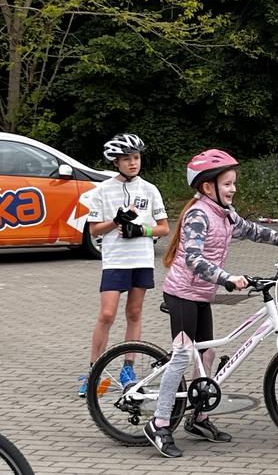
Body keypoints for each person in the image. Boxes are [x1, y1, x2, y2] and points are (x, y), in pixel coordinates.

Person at [143, 149, 278, 458]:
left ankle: (199, 417)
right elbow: (192, 258)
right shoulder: (198, 214)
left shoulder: (225, 214)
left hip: (201, 294)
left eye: (233, 183)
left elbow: (252, 230)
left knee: (208, 351)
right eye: (227, 184)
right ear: (207, 187)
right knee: (183, 354)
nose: (233, 189)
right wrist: (227, 278)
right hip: (181, 293)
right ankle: (160, 423)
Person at [78, 134, 169, 397]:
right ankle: (94, 370)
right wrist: (116, 221)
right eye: (127, 159)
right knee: (107, 314)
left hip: (141, 259)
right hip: (115, 260)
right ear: (116, 162)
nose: (133, 163)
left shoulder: (149, 189)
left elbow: (163, 227)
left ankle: (128, 368)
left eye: (136, 158)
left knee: (134, 313)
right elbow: (95, 230)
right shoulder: (103, 191)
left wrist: (140, 229)